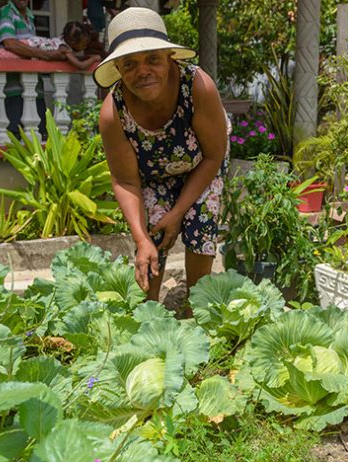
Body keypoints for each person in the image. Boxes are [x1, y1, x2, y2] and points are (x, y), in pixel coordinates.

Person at [94, 7, 230, 314]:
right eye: (130, 64)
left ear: (169, 58)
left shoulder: (197, 86)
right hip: (152, 175)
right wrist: (141, 239)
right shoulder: (113, 113)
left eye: (153, 59)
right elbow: (126, 180)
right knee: (152, 233)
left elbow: (213, 156)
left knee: (201, 225)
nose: (142, 71)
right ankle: (149, 313)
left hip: (202, 163)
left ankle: (196, 307)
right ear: (118, 68)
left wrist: (179, 211)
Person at [0, 21, 102, 69]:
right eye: (84, 44)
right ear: (73, 42)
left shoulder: (61, 42)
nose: (84, 48)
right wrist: (94, 58)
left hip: (27, 45)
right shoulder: (64, 48)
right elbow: (79, 66)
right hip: (24, 49)